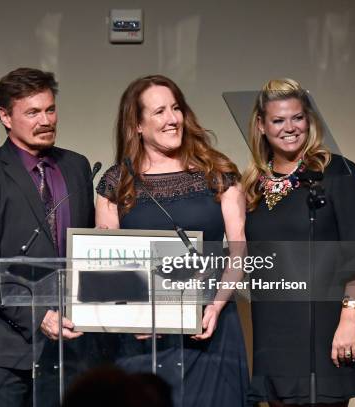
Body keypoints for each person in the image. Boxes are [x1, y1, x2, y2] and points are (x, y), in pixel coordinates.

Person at [96, 74, 249, 406]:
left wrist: (216, 305)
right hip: (144, 336)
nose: (171, 119)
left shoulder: (218, 172)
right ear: (136, 124)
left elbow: (239, 249)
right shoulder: (116, 182)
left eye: (176, 108)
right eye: (159, 111)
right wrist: (131, 316)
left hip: (210, 326)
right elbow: (108, 263)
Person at [0, 67, 95, 406]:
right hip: (5, 351)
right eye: (32, 112)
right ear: (5, 115)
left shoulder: (77, 167)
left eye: (49, 109)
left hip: (71, 346)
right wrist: (38, 315)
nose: (45, 120)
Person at [242, 78, 355, 406]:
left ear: (309, 120)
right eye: (278, 120)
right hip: (272, 333)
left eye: (298, 117)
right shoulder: (253, 185)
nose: (289, 128)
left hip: (324, 328)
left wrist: (349, 320)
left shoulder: (337, 172)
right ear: (261, 125)